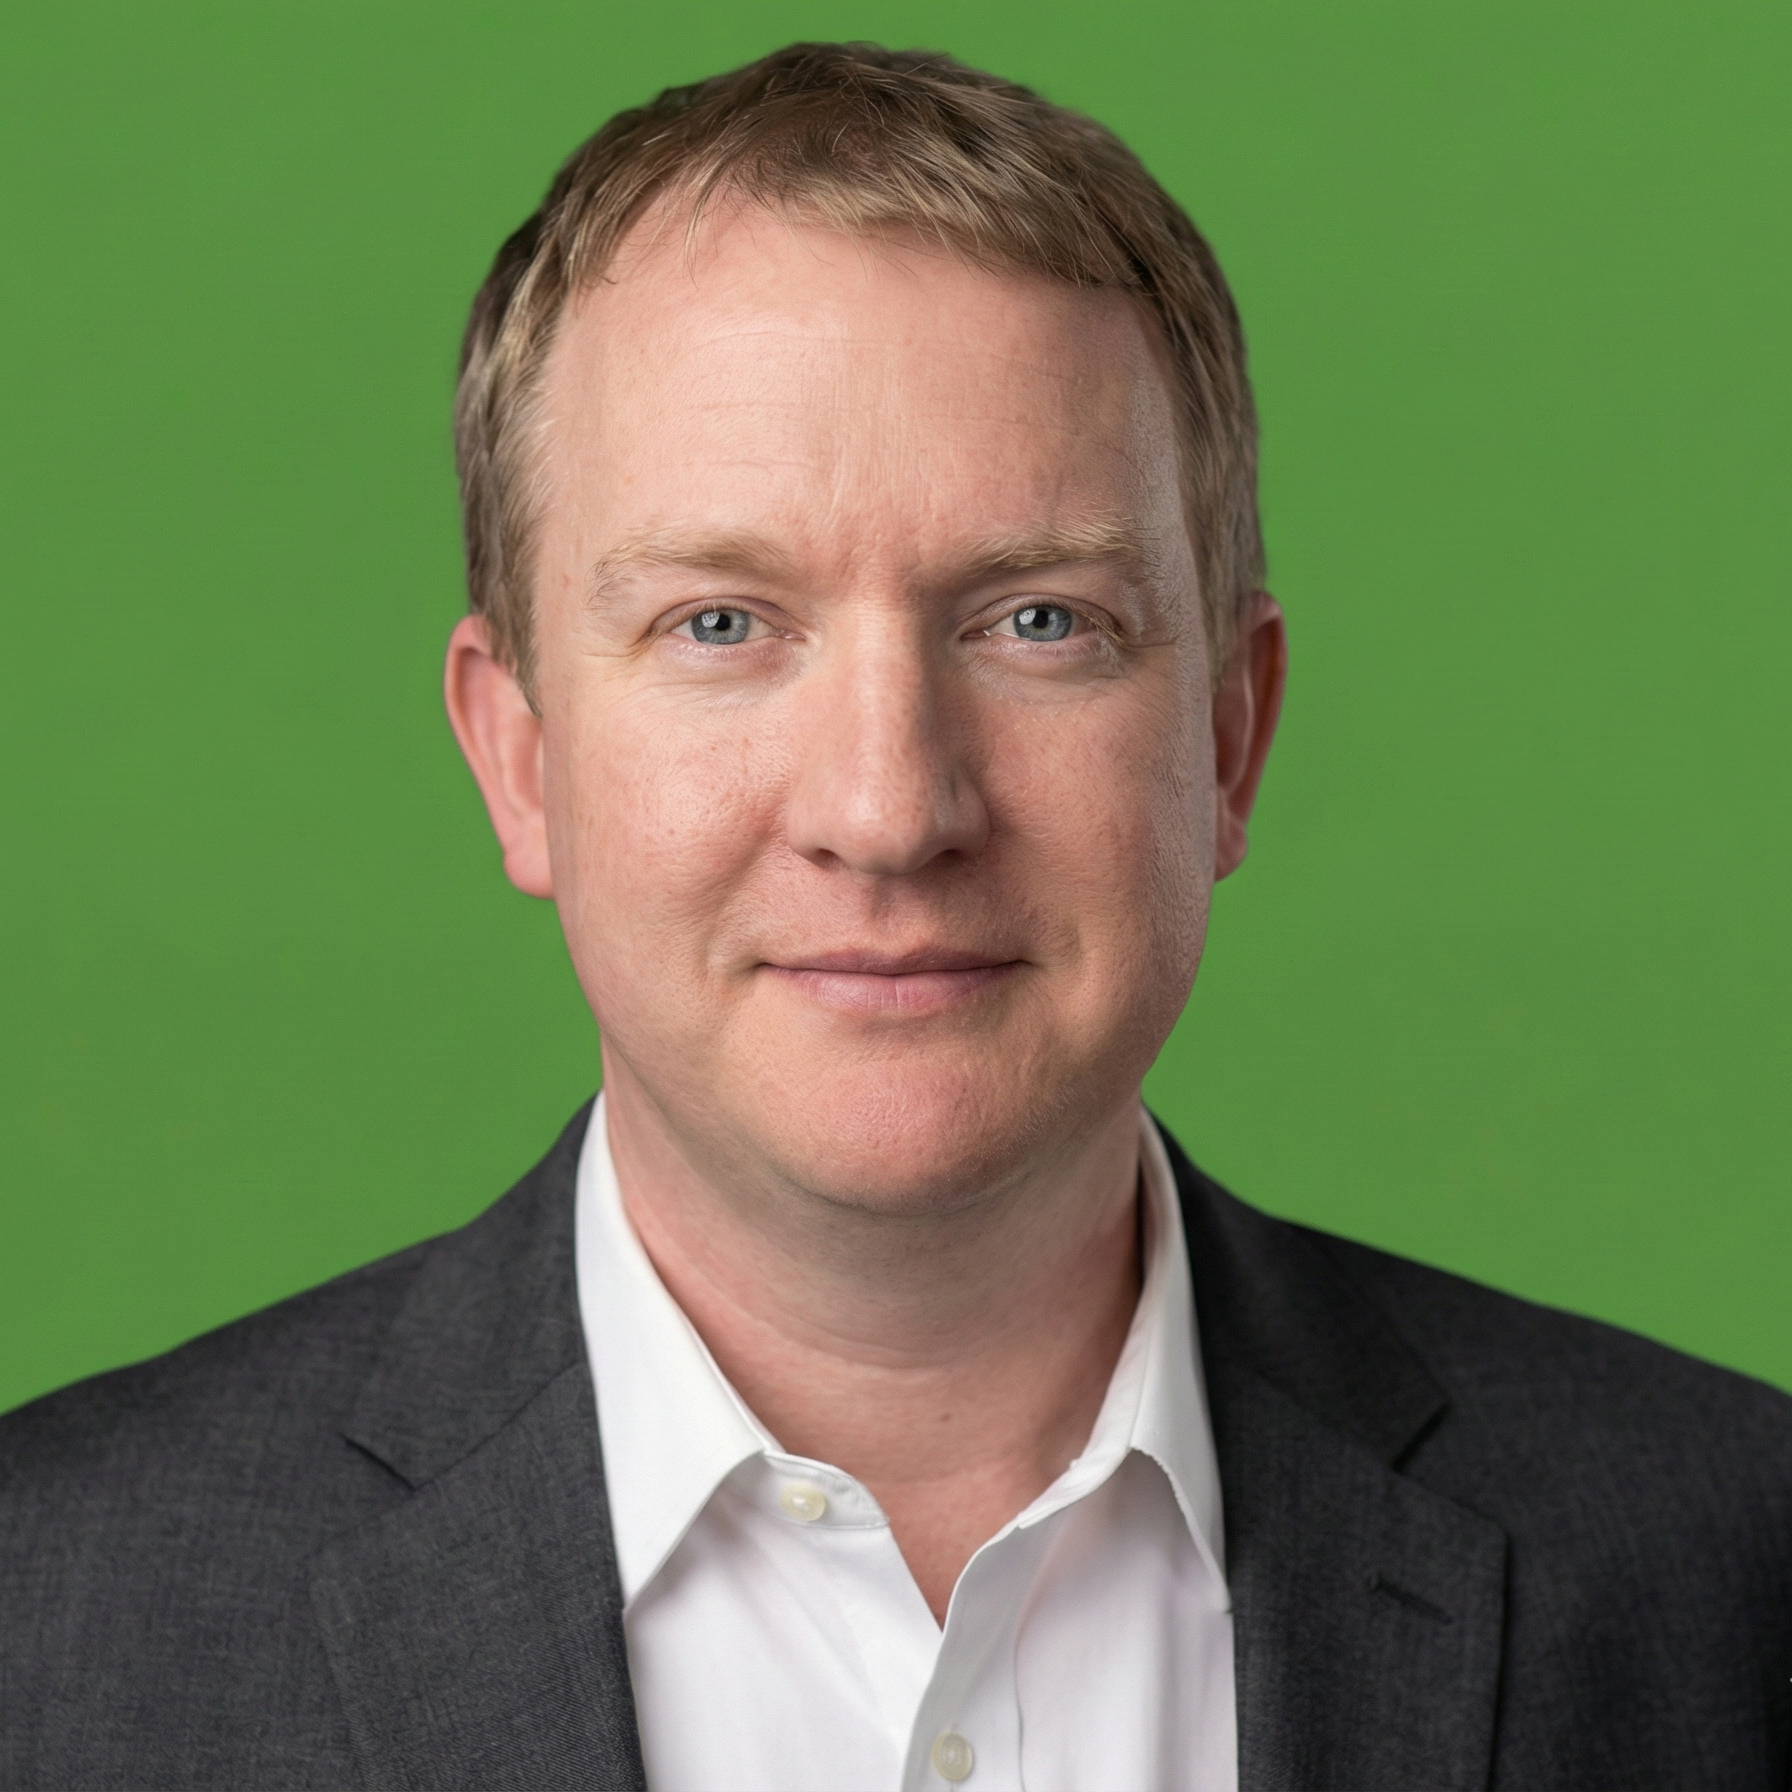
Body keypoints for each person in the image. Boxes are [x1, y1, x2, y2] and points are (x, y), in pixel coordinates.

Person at [2, 41, 1788, 1792]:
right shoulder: (47, 1616)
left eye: (1039, 622)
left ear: (1228, 737)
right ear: (522, 759)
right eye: (721, 624)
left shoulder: (1736, 1568)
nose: (888, 809)